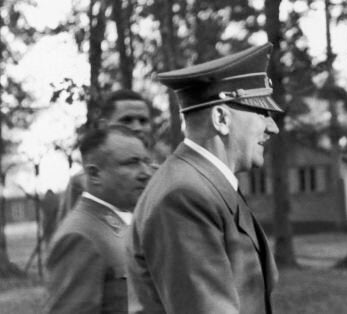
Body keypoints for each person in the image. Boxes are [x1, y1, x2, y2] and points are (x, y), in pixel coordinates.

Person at [126, 43, 281, 313]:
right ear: (221, 118)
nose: (272, 127)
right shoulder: (184, 196)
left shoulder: (206, 185)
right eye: (261, 113)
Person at [44, 126, 153, 313]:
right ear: (95, 174)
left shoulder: (118, 223)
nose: (146, 173)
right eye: (131, 163)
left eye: (146, 162)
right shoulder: (80, 236)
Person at [56, 90, 155, 227]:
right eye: (126, 120)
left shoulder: (164, 176)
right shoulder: (83, 182)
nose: (137, 127)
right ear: (104, 125)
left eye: (143, 121)